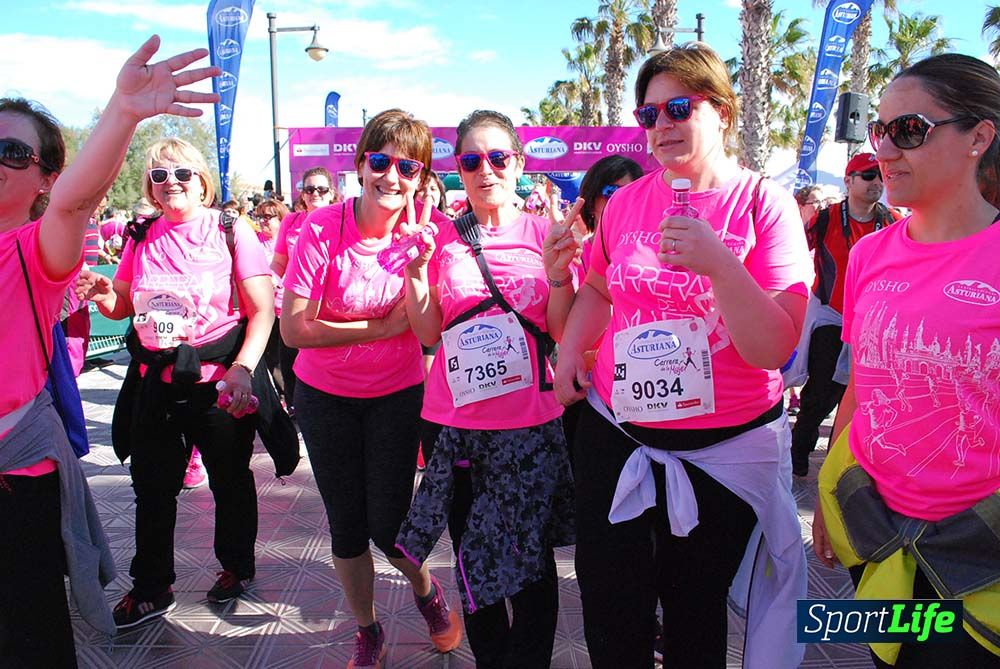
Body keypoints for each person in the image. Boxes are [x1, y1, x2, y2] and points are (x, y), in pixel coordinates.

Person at [552, 43, 812, 668]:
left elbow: (774, 347)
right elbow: (597, 286)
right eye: (649, 115)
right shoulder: (627, 202)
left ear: (722, 111)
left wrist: (720, 264)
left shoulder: (763, 204)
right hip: (618, 429)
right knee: (612, 605)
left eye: (677, 108)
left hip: (723, 451)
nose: (661, 126)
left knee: (695, 611)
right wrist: (569, 352)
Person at [0, 37, 219, 666]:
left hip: (15, 480)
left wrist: (122, 112)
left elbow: (75, 202)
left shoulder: (31, 252)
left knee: (27, 639)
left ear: (44, 178)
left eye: (13, 152)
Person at [813, 53, 1000, 668]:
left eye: (909, 130)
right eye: (879, 130)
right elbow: (861, 387)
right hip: (875, 534)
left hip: (979, 554)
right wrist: (828, 500)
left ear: (979, 136)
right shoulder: (870, 256)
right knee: (883, 659)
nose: (885, 151)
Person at [395, 109, 577, 669]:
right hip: (458, 430)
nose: (485, 170)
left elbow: (564, 329)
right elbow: (428, 333)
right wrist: (418, 273)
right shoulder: (442, 239)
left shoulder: (545, 234)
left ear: (518, 164)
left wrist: (556, 275)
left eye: (498, 158)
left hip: (530, 426)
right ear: (459, 169)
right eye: (471, 161)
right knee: (474, 560)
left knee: (531, 567)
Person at [281, 109, 462, 669]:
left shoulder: (431, 236)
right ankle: (367, 628)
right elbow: (293, 329)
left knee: (391, 525)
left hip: (396, 394)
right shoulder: (320, 230)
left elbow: (428, 325)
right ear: (361, 165)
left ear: (423, 177)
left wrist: (420, 266)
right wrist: (380, 328)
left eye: (408, 167)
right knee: (347, 525)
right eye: (380, 161)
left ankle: (426, 591)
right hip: (325, 398)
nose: (392, 177)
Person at [78, 135, 275, 628]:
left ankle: (236, 566)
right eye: (160, 176)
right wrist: (102, 292)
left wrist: (243, 369)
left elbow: (262, 311)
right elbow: (122, 305)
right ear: (149, 185)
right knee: (151, 487)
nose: (171, 184)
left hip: (217, 380)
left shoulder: (231, 230)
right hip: (154, 381)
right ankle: (151, 587)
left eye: (182, 174)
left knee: (230, 480)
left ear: (202, 182)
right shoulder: (142, 235)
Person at [790, 153, 901, 477]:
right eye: (867, 176)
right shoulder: (825, 218)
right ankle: (798, 457)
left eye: (879, 175)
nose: (876, 182)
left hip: (874, 324)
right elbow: (793, 250)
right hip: (831, 318)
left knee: (863, 396)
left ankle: (843, 466)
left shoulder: (893, 220)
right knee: (820, 394)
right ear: (849, 180)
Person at [271, 166, 336, 416]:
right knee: (289, 365)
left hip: (325, 309)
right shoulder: (291, 221)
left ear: (331, 192)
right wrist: (266, 282)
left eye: (321, 189)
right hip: (290, 306)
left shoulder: (341, 220)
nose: (315, 194)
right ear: (302, 194)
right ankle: (297, 412)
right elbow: (279, 262)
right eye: (309, 189)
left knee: (321, 365)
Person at [253, 198, 290, 405]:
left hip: (286, 306)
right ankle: (284, 397)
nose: (263, 221)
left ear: (280, 218)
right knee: (271, 357)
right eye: (259, 216)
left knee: (289, 355)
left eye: (268, 217)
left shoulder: (288, 241)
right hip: (264, 309)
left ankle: (292, 396)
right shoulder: (252, 241)